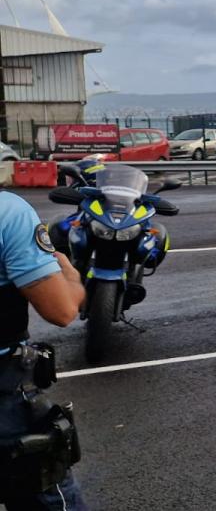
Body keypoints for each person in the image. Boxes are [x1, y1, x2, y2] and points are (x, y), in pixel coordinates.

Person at [0, 191, 88, 510]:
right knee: (45, 489)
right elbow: (61, 311)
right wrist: (73, 279)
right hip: (6, 398)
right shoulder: (8, 211)